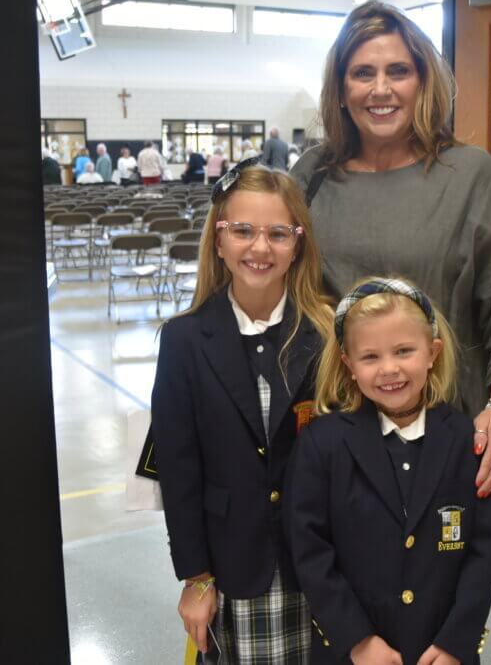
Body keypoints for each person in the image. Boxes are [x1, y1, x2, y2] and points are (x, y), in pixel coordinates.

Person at [290, 1, 491, 497]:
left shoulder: (470, 175)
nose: (380, 89)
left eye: (398, 71)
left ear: (423, 81)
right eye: (363, 73)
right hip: (338, 431)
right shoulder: (312, 176)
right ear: (341, 88)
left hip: (445, 429)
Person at [150, 160, 333, 663]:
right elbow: (179, 471)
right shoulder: (184, 341)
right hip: (234, 566)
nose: (260, 248)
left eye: (278, 233)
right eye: (243, 231)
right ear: (219, 240)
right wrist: (196, 578)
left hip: (320, 563)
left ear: (298, 244)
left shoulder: (326, 334)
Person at [286, 277, 491, 665]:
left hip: (440, 651)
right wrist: (357, 640)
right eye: (370, 357)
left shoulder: (467, 441)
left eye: (404, 351)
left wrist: (457, 641)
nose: (389, 369)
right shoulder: (322, 444)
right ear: (348, 365)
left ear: (432, 352)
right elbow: (309, 550)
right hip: (353, 654)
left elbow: (485, 549)